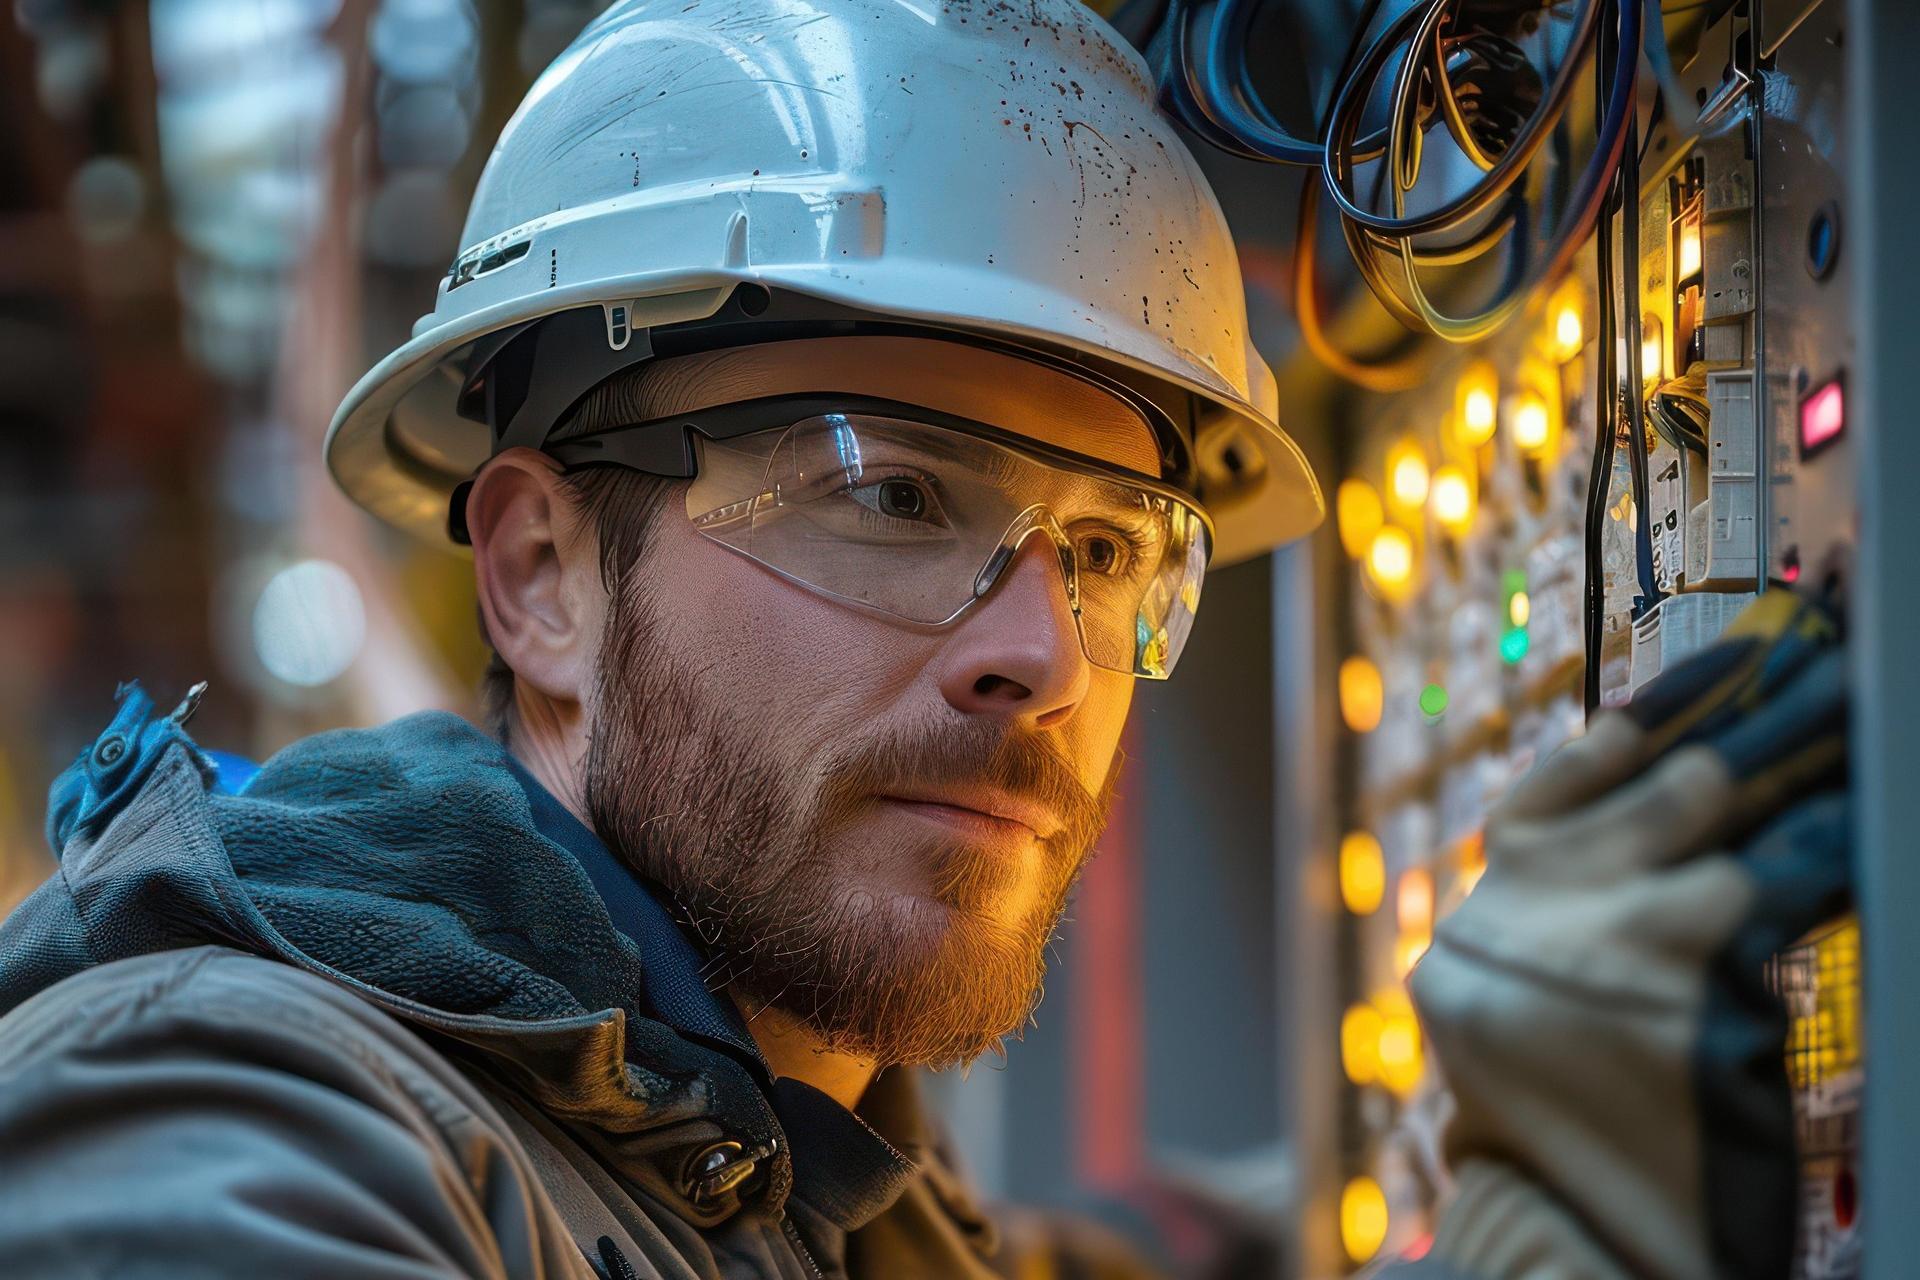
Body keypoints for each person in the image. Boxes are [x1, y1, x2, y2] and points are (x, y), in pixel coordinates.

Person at [0, 2, 1846, 1278]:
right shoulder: (242, 1125)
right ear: (544, 577)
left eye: (1115, 548)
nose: (1041, 650)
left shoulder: (803, 1187)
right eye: (892, 499)